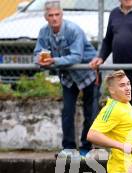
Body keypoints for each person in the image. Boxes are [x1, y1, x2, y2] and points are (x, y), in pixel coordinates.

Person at [34, 0, 99, 158]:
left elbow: (76, 57)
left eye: (57, 15)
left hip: (88, 73)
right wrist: (39, 59)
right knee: (67, 111)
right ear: (46, 17)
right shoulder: (44, 32)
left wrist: (53, 62)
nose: (54, 18)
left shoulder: (73, 30)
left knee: (90, 112)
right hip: (68, 76)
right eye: (51, 15)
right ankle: (68, 148)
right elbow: (37, 51)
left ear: (62, 15)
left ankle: (86, 147)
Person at [89, 0, 132, 126]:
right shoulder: (114, 14)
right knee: (121, 110)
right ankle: (123, 144)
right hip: (120, 73)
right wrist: (100, 57)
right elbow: (108, 41)